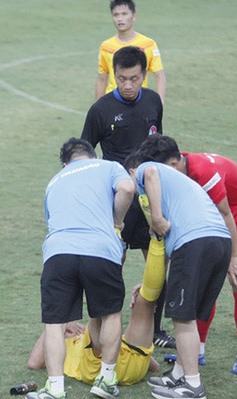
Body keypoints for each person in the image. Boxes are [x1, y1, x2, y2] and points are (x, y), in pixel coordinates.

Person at [137, 134, 237, 373]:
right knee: (203, 279)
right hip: (212, 219)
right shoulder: (177, 176)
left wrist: (234, 256)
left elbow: (226, 214)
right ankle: (198, 351)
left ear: (173, 165)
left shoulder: (203, 172)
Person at [24, 138, 134, 399]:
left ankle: (56, 391)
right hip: (100, 250)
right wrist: (117, 220)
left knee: (55, 322)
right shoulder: (108, 166)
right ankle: (106, 380)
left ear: (65, 163)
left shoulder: (53, 182)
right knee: (110, 314)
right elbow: (128, 188)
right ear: (91, 155)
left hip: (59, 252)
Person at [82, 45, 174, 350]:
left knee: (157, 266)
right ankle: (104, 333)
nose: (128, 85)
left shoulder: (152, 101)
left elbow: (158, 144)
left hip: (150, 203)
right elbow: (83, 155)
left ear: (144, 76)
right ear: (114, 76)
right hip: (118, 204)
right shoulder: (100, 111)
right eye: (122, 79)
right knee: (111, 266)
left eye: (134, 78)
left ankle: (156, 330)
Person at [124, 150, 232, 399]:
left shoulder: (145, 170)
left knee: (182, 318)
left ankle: (192, 385)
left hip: (195, 243)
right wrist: (148, 281)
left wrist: (157, 217)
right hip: (219, 242)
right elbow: (168, 252)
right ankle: (179, 374)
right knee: (190, 315)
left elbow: (148, 171)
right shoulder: (178, 186)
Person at [27, 233, 167, 388]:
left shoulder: (62, 347)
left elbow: (36, 359)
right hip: (124, 366)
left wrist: (60, 321)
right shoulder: (62, 344)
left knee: (136, 303)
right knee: (140, 302)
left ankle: (129, 240)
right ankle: (152, 239)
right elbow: (34, 362)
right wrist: (63, 323)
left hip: (108, 364)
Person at [95, 0, 166, 104]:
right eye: (116, 15)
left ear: (134, 16)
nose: (120, 19)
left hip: (139, 101)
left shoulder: (148, 44)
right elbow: (101, 80)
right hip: (113, 102)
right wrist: (98, 106)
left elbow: (160, 76)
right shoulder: (106, 46)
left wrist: (160, 102)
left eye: (124, 14)